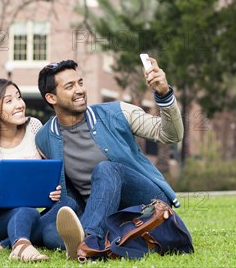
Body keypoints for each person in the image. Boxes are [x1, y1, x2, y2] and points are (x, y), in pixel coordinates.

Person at [35, 57, 184, 261]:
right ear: (51, 98)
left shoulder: (118, 112)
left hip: (147, 203)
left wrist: (164, 93)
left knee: (106, 169)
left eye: (80, 83)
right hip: (103, 214)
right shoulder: (45, 137)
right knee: (50, 234)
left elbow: (171, 135)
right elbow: (65, 189)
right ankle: (108, 241)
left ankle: (88, 239)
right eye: (70, 86)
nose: (80, 90)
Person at [0, 78, 71, 262]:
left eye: (19, 97)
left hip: (28, 214)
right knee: (27, 211)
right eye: (9, 101)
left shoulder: (34, 127)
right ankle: (21, 247)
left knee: (67, 203)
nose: (19, 105)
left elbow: (48, 171)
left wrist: (54, 189)